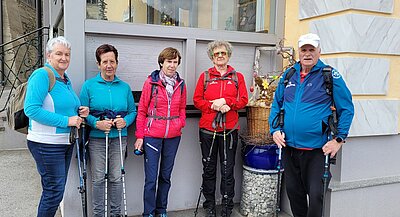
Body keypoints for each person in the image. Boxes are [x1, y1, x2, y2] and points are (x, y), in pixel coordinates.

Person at [269, 33, 354, 217]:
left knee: (316, 196)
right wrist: (274, 130)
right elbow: (276, 104)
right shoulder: (289, 74)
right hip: (290, 148)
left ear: (319, 52)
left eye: (311, 50)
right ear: (298, 53)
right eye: (304, 50)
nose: (307, 54)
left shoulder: (329, 75)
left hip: (317, 150)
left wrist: (339, 140)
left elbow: (346, 108)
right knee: (294, 194)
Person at [24, 36, 89, 217]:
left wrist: (79, 110)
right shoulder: (42, 75)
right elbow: (31, 109)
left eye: (67, 54)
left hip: (63, 143)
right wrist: (67, 121)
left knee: (55, 191)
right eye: (59, 53)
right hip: (46, 144)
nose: (64, 58)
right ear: (48, 55)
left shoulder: (64, 79)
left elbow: (60, 105)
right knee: (53, 192)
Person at [80, 44, 137, 217]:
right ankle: (99, 214)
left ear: (117, 63)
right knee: (98, 179)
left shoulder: (124, 87)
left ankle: (115, 213)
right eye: (105, 61)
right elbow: (83, 111)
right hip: (97, 138)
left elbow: (132, 111)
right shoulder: (88, 86)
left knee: (116, 177)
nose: (109, 65)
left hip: (119, 137)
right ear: (99, 64)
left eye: (112, 61)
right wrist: (96, 123)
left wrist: (125, 121)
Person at [193, 40, 248, 217]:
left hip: (229, 130)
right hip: (208, 130)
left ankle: (227, 206)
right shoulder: (205, 76)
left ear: (228, 55)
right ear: (212, 57)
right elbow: (197, 100)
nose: (220, 56)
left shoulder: (237, 77)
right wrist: (214, 106)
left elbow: (243, 100)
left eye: (223, 53)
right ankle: (209, 205)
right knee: (209, 169)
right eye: (216, 54)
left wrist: (227, 103)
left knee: (227, 169)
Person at [134, 47, 187, 217]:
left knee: (166, 176)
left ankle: (161, 210)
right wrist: (140, 136)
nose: (172, 65)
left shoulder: (181, 84)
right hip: (152, 136)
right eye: (168, 61)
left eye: (175, 62)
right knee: (151, 179)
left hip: (173, 136)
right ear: (161, 63)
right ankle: (148, 212)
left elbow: (182, 108)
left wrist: (180, 123)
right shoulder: (151, 82)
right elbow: (142, 110)